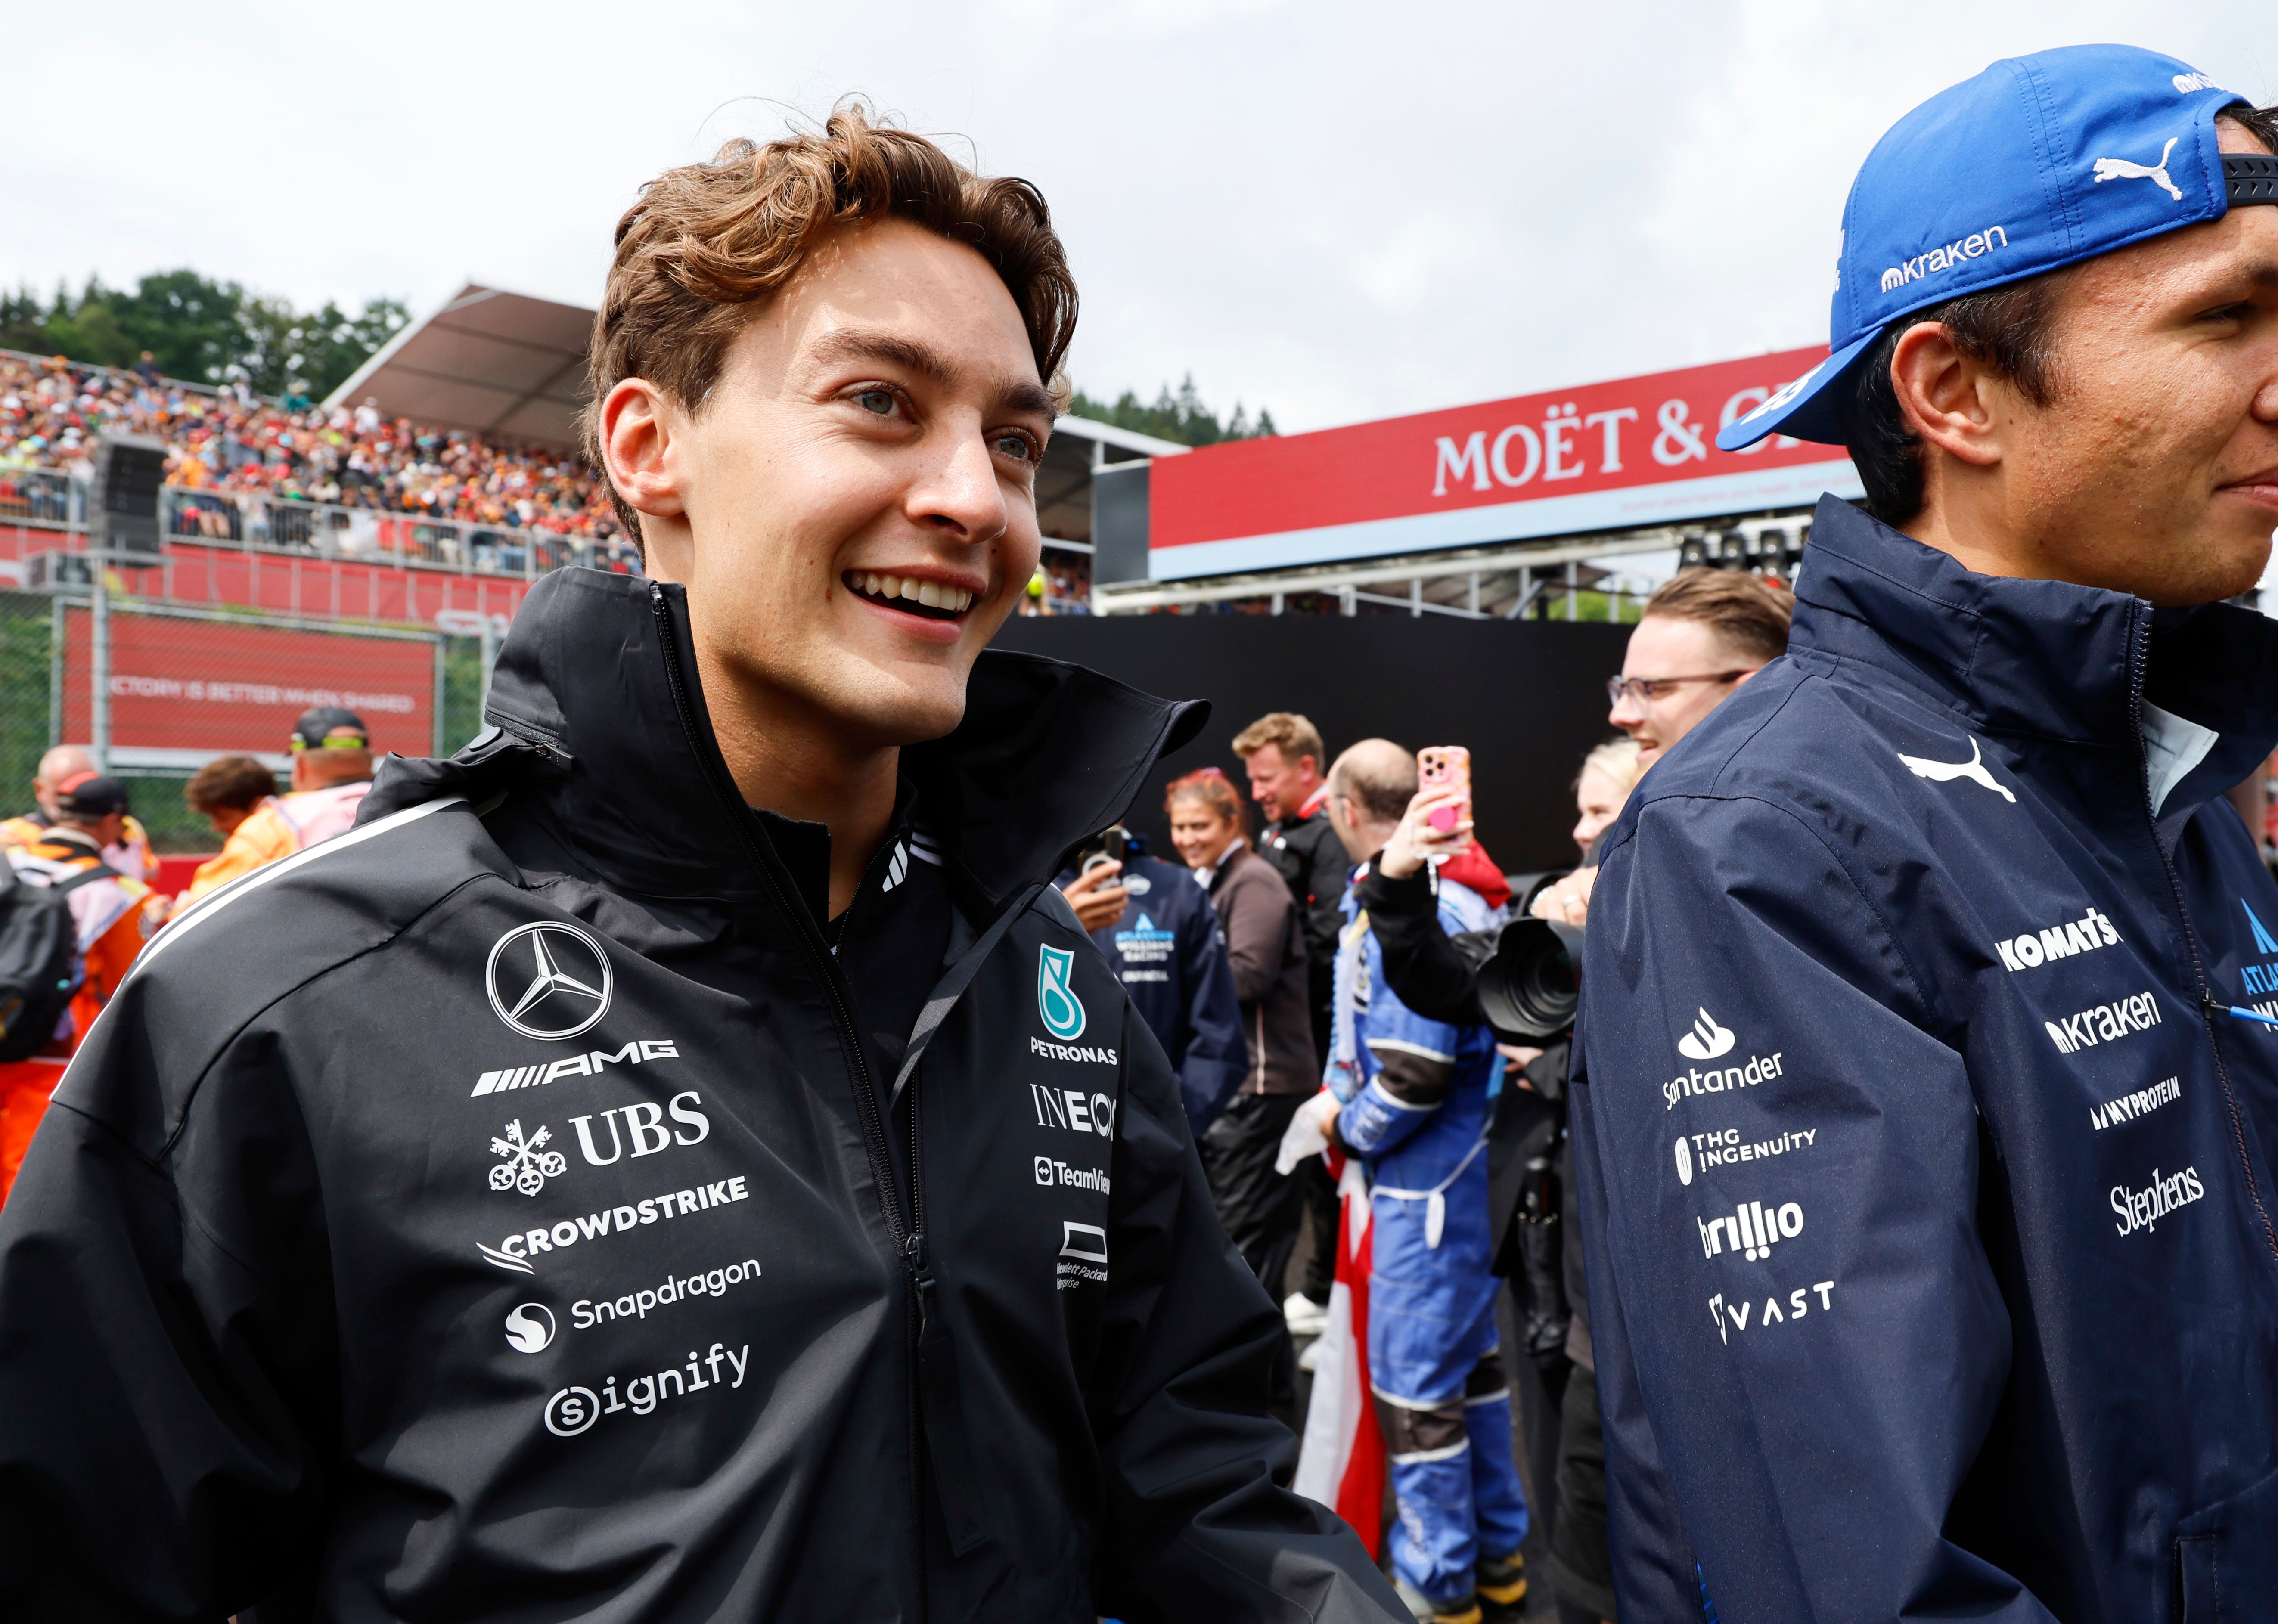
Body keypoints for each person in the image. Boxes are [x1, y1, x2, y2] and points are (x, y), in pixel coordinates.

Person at [0, 108, 1401, 1624]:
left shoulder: (1039, 968)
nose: (974, 499)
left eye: (1012, 442)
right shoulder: (281, 998)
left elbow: (1195, 1481)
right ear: (647, 447)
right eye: (877, 401)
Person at [1573, 47, 2278, 1621]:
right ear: (1952, 390)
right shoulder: (1767, 840)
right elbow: (1856, 1581)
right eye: (2226, 316)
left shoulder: (2163, 780)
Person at [1359, 738, 1666, 1624]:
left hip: (1662, 1297)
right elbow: (1439, 984)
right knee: (1571, 1536)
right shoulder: (1550, 909)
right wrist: (1402, 875)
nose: (1576, 832)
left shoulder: (1698, 912)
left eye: (1600, 813)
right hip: (1557, 1282)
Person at [1316, 739, 1532, 1624]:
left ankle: (1440, 1585)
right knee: (1466, 1376)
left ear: (1343, 806)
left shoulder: (1422, 901)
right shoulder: (1459, 886)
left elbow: (1409, 1071)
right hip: (1458, 1184)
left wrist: (1337, 1124)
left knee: (1416, 1391)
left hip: (1424, 1191)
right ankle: (1495, 1559)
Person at [1531, 570, 1791, 927]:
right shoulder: (1631, 832)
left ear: (1750, 690)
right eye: (1623, 689)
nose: (1619, 715)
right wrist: (1558, 903)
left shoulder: (1822, 837)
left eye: (1652, 689)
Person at [1167, 769, 1316, 1306]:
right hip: (1237, 1089)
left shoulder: (1253, 881)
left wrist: (1165, 972)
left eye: (1199, 825)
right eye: (1179, 827)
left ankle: (1260, 1387)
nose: (1186, 838)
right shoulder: (1213, 880)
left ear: (1233, 823)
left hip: (1262, 1087)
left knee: (1244, 1256)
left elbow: (1249, 976)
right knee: (1233, 1249)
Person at [1232, 711, 1350, 1334]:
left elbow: (1330, 939)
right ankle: (1322, 1288)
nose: (1258, 794)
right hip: (1297, 1034)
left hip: (1322, 1036)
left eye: (1267, 778)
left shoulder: (1329, 835)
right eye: (1250, 782)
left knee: (1324, 1159)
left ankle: (1326, 1289)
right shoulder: (1286, 835)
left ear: (1308, 768)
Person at [1058, 824, 1249, 1137]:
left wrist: (1173, 1123)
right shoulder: (1022, 887)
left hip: (1152, 1144)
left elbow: (1219, 1034)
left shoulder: (1176, 889)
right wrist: (1056, 928)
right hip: (1048, 1136)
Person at [1, 774, 153, 1051]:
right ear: (111, 821)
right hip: (56, 1052)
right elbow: (126, 986)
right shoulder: (120, 894)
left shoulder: (6, 862)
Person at [176, 709, 382, 908]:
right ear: (370, 758)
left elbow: (202, 910)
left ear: (300, 764)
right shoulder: (409, 805)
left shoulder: (274, 825)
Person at [1, 744, 159, 886]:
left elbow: (143, 884)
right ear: (39, 789)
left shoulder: (127, 829)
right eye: (63, 794)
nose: (77, 800)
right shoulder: (9, 835)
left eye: (86, 790)